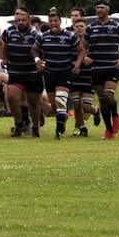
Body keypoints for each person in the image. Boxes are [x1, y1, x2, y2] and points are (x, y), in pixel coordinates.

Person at [86, 0, 119, 139]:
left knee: (108, 95)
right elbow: (82, 46)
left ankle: (116, 115)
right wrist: (85, 57)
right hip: (96, 68)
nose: (99, 10)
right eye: (97, 7)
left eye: (102, 7)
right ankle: (108, 130)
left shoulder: (117, 26)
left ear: (107, 10)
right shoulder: (91, 28)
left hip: (111, 66)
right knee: (102, 100)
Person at [36, 8, 84, 139]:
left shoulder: (69, 36)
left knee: (60, 99)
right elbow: (34, 50)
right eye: (51, 21)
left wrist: (77, 64)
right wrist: (37, 60)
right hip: (49, 73)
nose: (53, 23)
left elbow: (81, 50)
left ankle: (59, 128)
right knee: (54, 104)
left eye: (55, 21)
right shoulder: (43, 36)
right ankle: (62, 118)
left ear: (60, 21)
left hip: (65, 73)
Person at [0, 7, 41, 137]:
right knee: (12, 98)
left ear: (29, 20)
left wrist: (40, 63)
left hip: (32, 73)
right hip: (15, 72)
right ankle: (19, 124)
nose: (21, 22)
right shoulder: (9, 32)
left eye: (23, 20)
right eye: (18, 20)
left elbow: (41, 51)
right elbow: (3, 44)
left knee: (33, 103)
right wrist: (4, 57)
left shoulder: (36, 35)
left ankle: (36, 127)